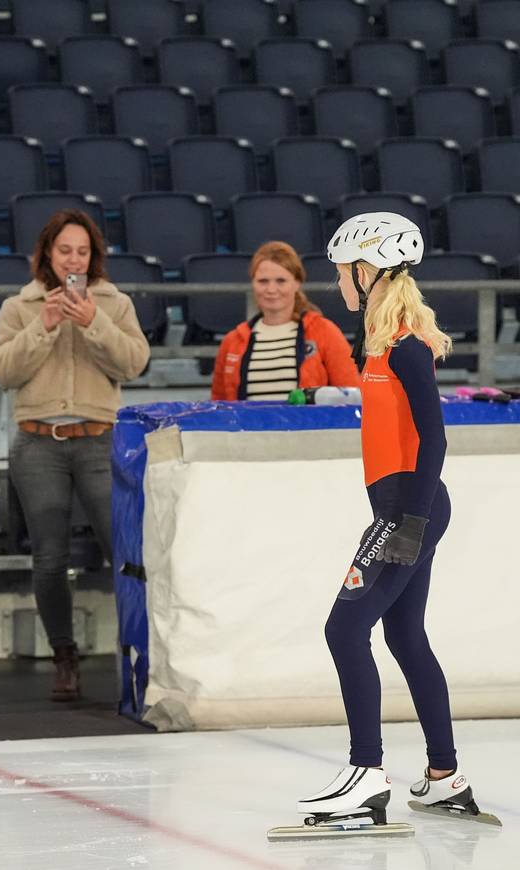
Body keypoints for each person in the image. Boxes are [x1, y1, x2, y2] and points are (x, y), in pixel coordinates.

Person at [296, 212, 497, 830]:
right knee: (404, 637)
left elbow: (435, 437)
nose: (338, 284)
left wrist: (409, 520)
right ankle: (445, 777)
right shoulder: (379, 343)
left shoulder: (406, 345)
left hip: (411, 506)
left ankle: (366, 776)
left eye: (342, 272)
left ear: (371, 269)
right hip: (407, 506)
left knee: (343, 629)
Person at [0, 209, 150, 701]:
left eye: (82, 251)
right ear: (47, 255)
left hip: (99, 439)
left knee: (121, 551)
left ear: (92, 256)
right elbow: (3, 370)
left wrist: (94, 322)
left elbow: (134, 362)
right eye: (65, 251)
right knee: (50, 557)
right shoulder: (20, 306)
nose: (73, 259)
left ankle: (139, 649)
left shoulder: (114, 303)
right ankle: (64, 655)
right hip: (39, 443)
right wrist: (46, 325)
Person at [211, 241, 360, 401]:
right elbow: (218, 405)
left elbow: (352, 396)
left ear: (297, 283)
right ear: (252, 284)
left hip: (312, 427)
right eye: (263, 281)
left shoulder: (325, 332)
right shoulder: (231, 341)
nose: (271, 289)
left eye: (281, 281)